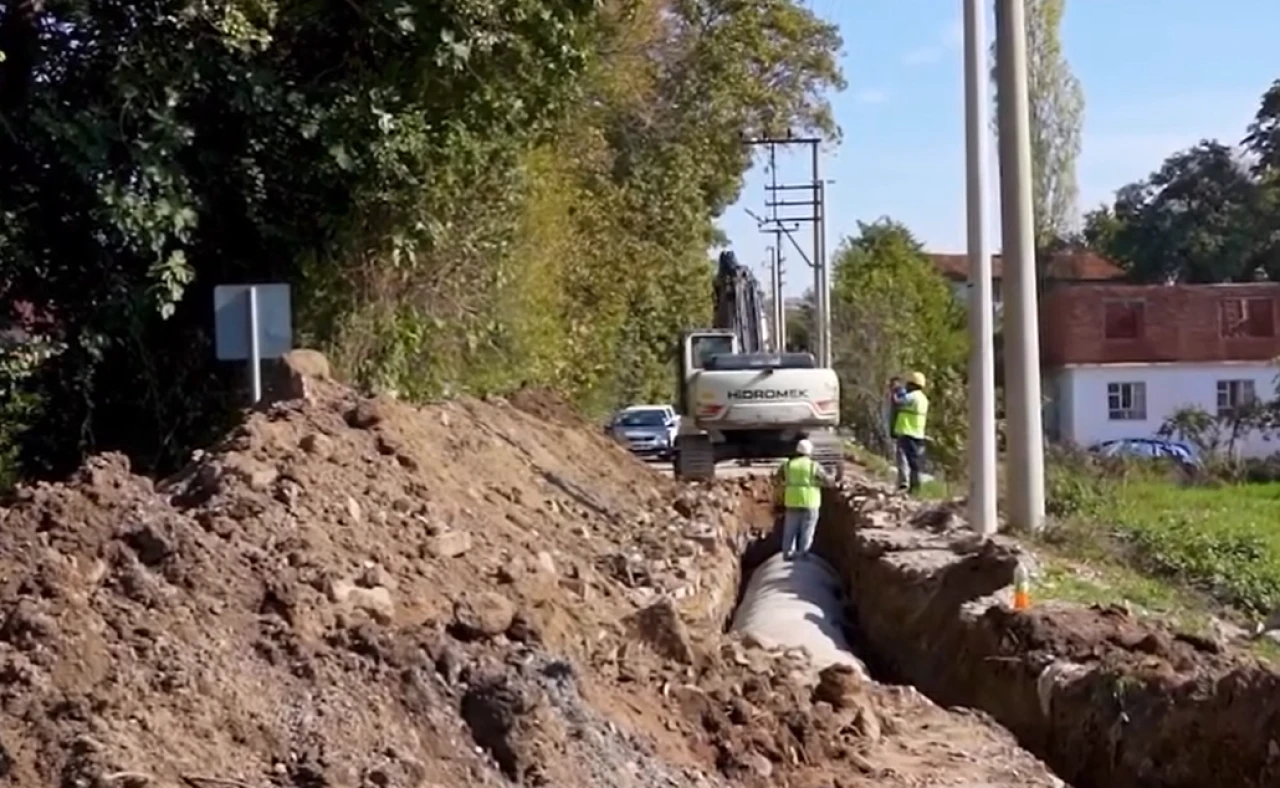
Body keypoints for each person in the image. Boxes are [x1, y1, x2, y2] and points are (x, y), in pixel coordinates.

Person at [774, 437, 832, 560]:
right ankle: (803, 555)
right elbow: (827, 481)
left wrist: (785, 486)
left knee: (790, 530)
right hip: (811, 502)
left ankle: (788, 554)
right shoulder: (813, 466)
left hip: (792, 502)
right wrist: (820, 482)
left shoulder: (788, 465)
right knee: (807, 531)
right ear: (810, 452)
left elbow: (777, 479)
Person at [892, 371, 929, 494]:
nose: (906, 386)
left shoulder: (912, 396)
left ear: (913, 384)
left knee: (903, 458)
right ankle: (915, 486)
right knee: (915, 461)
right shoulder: (923, 399)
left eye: (908, 384)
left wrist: (894, 391)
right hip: (918, 433)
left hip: (907, 432)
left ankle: (904, 484)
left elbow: (897, 402)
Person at [886, 376, 909, 487]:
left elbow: (901, 405)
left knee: (902, 455)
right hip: (898, 428)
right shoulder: (894, 395)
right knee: (899, 456)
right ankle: (901, 480)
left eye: (892, 384)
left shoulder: (902, 394)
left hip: (903, 428)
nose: (890, 386)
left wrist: (895, 397)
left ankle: (904, 481)